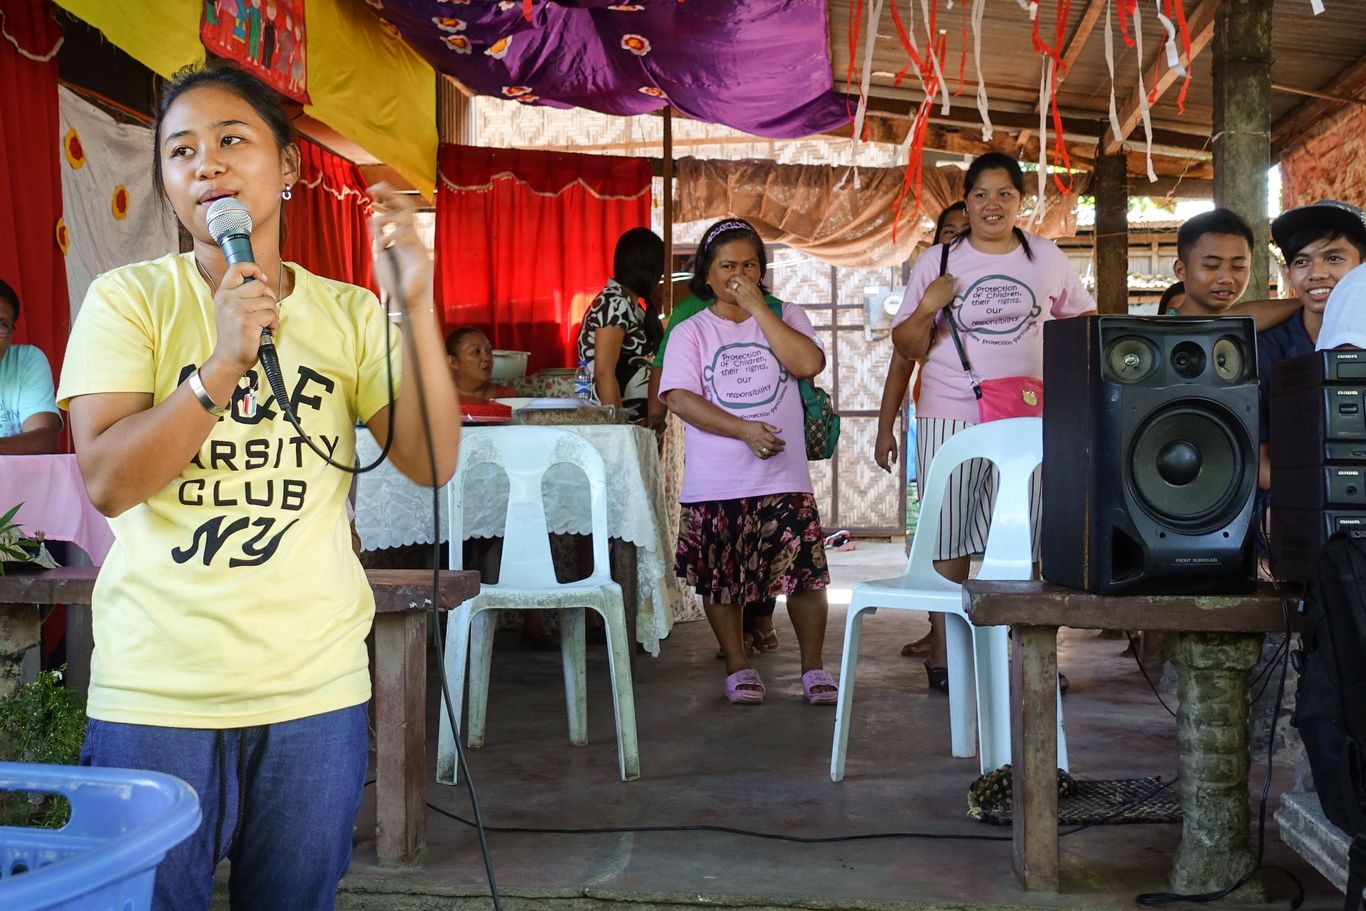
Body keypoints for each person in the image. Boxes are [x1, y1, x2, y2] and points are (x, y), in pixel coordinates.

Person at [55, 63, 459, 911]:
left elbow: (430, 461)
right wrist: (220, 369)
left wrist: (415, 307)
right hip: (156, 692)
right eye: (181, 152)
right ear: (166, 186)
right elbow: (107, 478)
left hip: (313, 691)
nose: (207, 165)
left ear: (288, 168)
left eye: (232, 140)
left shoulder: (349, 314)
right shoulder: (128, 301)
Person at [891, 152, 1095, 693]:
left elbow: (1084, 321)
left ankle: (1031, 653)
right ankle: (944, 649)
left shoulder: (1046, 257)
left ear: (1020, 201)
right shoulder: (936, 262)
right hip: (948, 408)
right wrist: (928, 307)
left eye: (1005, 194)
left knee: (1026, 533)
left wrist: (1073, 394)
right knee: (949, 530)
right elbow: (907, 346)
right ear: (966, 200)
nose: (992, 205)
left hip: (1028, 411)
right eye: (981, 194)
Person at [659, 218, 836, 705]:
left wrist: (759, 309)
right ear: (708, 274)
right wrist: (743, 430)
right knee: (723, 578)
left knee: (804, 575)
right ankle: (738, 664)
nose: (740, 274)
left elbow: (807, 364)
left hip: (783, 476)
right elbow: (677, 396)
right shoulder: (691, 329)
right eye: (728, 266)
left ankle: (813, 668)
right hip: (717, 479)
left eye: (750, 265)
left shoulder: (788, 314)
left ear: (762, 270)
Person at [871, 203, 970, 659]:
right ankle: (940, 631)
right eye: (948, 231)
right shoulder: (926, 297)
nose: (957, 239)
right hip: (936, 424)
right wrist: (884, 429)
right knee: (940, 532)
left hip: (998, 418)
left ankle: (1007, 632)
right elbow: (899, 366)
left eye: (965, 232)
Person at [1258, 203, 1366, 511]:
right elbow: (1261, 463)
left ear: (1361, 267)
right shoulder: (1266, 351)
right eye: (1302, 262)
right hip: (1291, 506)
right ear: (1289, 275)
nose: (1317, 274)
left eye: (1333, 258)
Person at [577, 227, 665, 426]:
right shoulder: (615, 304)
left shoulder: (630, 305)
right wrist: (620, 429)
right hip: (619, 424)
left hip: (636, 421)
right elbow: (603, 372)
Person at [0, 278, 60, 454]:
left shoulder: (27, 360)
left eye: (1, 325)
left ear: (11, 334)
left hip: (19, 480)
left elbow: (43, 439)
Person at [1168, 208, 1254, 317]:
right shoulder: (1159, 332)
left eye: (1238, 266)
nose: (1227, 279)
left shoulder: (1257, 330)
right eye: (1211, 265)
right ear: (1181, 271)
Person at [445, 326, 516, 403]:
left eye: (489, 351)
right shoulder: (440, 398)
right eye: (477, 352)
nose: (487, 358)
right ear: (453, 362)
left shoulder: (508, 397)